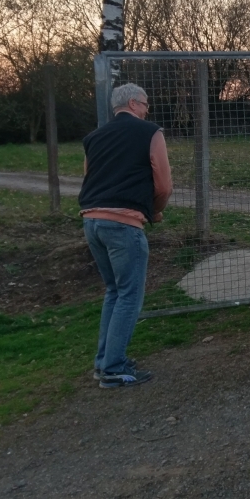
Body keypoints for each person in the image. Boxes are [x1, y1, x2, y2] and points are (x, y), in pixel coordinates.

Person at [79, 83, 172, 388]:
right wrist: (154, 211)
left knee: (114, 292)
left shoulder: (93, 138)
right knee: (129, 295)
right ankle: (114, 368)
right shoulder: (150, 132)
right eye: (145, 104)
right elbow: (163, 186)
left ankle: (104, 362)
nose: (148, 109)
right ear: (133, 103)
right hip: (123, 224)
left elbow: (89, 177)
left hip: (92, 221)